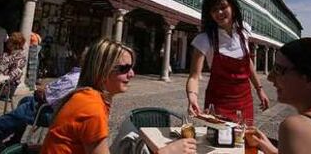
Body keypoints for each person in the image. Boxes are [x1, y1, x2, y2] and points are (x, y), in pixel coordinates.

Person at [41, 38, 197, 154]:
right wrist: (166, 152)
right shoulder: (91, 107)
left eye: (132, 67)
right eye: (124, 68)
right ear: (102, 70)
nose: (132, 74)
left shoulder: (86, 97)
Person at [0, 65, 81, 154]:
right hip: (48, 105)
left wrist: (41, 90)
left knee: (1, 123)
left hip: (47, 108)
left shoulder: (77, 78)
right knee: (24, 101)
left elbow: (48, 96)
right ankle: (14, 140)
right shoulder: (78, 74)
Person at [186, 0, 270, 121]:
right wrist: (192, 97)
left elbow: (248, 63)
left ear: (233, 7)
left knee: (243, 139)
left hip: (244, 101)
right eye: (214, 10)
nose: (219, 13)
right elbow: (194, 77)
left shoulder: (244, 32)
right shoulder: (205, 39)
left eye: (223, 7)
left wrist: (259, 89)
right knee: (218, 141)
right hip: (218, 104)